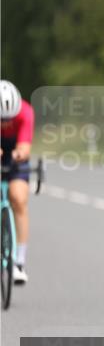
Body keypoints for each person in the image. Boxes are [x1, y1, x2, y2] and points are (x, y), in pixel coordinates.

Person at [0, 80, 34, 284]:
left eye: (9, 119)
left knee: (18, 199)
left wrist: (19, 153)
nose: (5, 123)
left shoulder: (26, 112)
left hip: (14, 154)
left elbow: (25, 146)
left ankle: (19, 262)